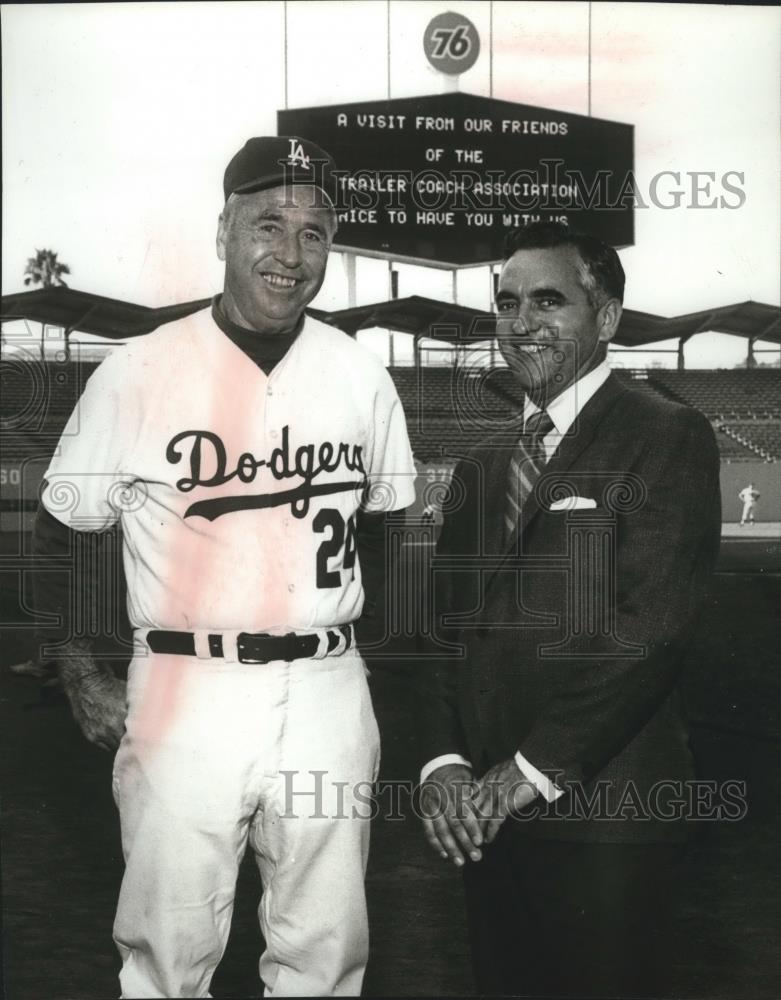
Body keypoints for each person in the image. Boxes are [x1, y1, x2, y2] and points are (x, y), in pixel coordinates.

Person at [32, 135, 416, 997]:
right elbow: (69, 528)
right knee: (168, 953)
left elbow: (386, 533)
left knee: (325, 950)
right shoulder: (139, 369)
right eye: (268, 225)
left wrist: (362, 670)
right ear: (223, 230)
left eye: (314, 233)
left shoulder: (361, 376)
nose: (290, 254)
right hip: (183, 683)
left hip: (326, 684)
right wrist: (77, 666)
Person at [416, 222, 721, 998]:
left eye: (547, 301)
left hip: (608, 816)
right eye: (506, 303)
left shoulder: (665, 433)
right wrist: (444, 766)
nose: (520, 324)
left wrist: (524, 772)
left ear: (607, 318)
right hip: (484, 822)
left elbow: (646, 632)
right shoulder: (485, 464)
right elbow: (442, 634)